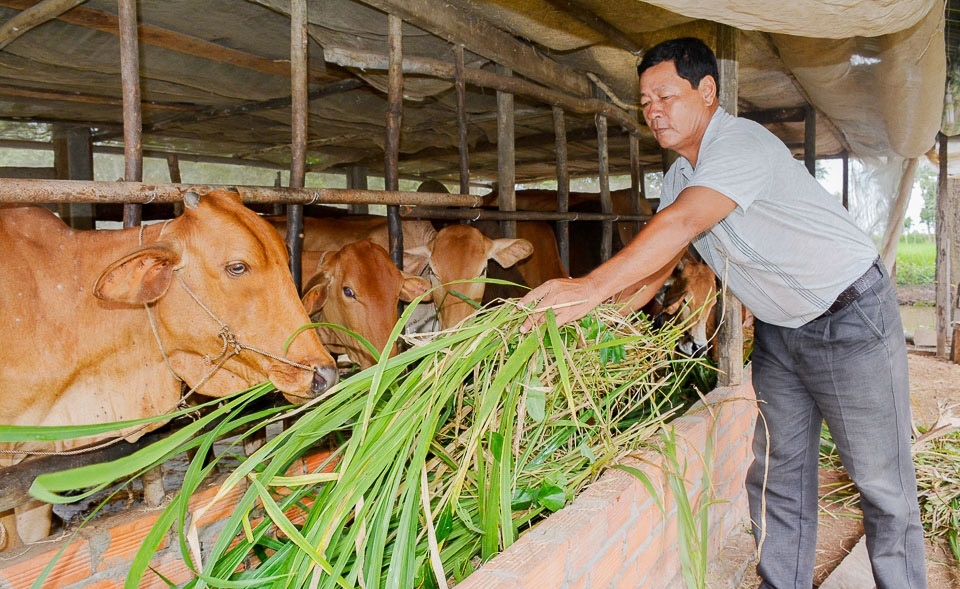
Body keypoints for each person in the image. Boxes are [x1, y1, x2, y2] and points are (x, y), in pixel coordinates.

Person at [519, 37, 926, 589]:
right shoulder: (677, 179)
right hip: (782, 327)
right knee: (778, 474)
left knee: (882, 483)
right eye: (644, 102)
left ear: (707, 91)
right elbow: (651, 275)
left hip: (849, 315)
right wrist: (582, 327)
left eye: (665, 94)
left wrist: (584, 287)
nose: (653, 109)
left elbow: (682, 226)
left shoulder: (741, 144)